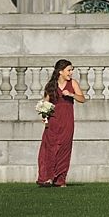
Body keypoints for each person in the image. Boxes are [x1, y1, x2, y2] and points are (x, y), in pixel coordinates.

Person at [36, 58, 86, 187]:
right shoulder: (51, 86)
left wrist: (71, 94)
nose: (71, 72)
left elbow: (82, 99)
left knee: (64, 149)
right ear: (60, 72)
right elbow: (45, 103)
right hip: (53, 120)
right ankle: (47, 178)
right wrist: (44, 116)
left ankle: (60, 179)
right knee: (49, 149)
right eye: (69, 70)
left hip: (67, 120)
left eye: (72, 70)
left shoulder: (73, 83)